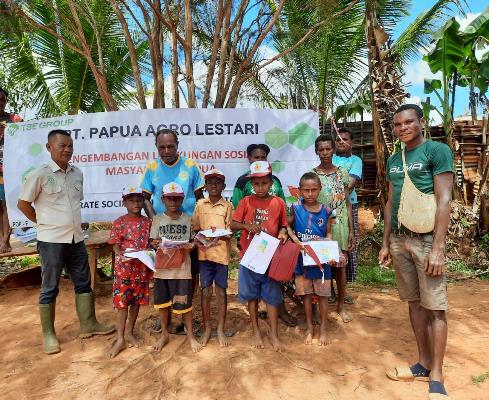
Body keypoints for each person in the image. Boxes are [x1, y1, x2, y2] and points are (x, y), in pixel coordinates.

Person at [17, 129, 114, 355]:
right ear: (49, 147)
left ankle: (89, 323)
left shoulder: (77, 173)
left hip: (76, 240)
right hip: (51, 241)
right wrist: (42, 223)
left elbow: (74, 205)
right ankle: (49, 334)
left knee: (83, 283)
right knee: (50, 287)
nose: (68, 149)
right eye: (62, 145)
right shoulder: (40, 174)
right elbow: (23, 204)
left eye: (70, 145)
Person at [379, 104, 453, 399]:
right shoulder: (394, 159)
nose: (403, 128)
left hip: (425, 241)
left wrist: (438, 246)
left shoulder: (436, 151)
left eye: (409, 122)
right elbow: (390, 201)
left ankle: (437, 373)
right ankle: (423, 362)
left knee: (435, 308)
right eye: (398, 125)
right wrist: (386, 242)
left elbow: (444, 198)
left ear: (421, 122)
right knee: (413, 304)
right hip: (399, 240)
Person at [140, 128, 204, 333]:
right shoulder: (151, 168)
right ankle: (167, 315)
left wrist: (197, 224)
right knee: (165, 273)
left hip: (188, 229)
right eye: (162, 147)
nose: (166, 150)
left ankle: (184, 312)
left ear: (178, 145)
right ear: (156, 147)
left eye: (171, 146)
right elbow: (145, 198)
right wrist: (156, 222)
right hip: (164, 231)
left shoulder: (191, 166)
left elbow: (200, 196)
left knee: (189, 273)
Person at [232, 143, 295, 328]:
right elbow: (232, 224)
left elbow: (284, 225)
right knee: (252, 295)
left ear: (271, 182)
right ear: (251, 184)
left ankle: (274, 333)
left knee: (272, 295)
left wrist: (283, 234)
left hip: (271, 256)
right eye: (256, 184)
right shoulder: (245, 201)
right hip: (249, 256)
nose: (260, 188)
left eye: (264, 183)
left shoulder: (278, 202)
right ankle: (256, 331)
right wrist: (247, 226)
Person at [150, 182, 203, 353]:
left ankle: (190, 336)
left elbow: (195, 241)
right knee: (163, 305)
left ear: (182, 199)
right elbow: (152, 242)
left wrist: (191, 246)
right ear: (163, 199)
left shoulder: (188, 220)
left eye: (177, 198)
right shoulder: (157, 219)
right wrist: (156, 243)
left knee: (185, 305)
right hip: (162, 270)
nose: (173, 201)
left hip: (182, 270)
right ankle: (164, 334)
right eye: (169, 198)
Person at [287, 172, 334, 346]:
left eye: (314, 190)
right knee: (306, 295)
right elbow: (288, 226)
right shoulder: (295, 208)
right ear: (300, 190)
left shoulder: (327, 211)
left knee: (323, 296)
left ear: (320, 189)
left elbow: (329, 232)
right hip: (302, 260)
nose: (310, 194)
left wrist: (327, 244)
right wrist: (296, 240)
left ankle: (323, 329)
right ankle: (309, 328)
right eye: (306, 190)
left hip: (321, 261)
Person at [311, 134, 353, 323]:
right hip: (319, 227)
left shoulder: (342, 172)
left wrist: (351, 230)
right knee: (320, 267)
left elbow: (347, 203)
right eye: (321, 149)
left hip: (340, 225)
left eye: (328, 149)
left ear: (333, 150)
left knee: (340, 268)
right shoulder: (312, 175)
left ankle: (341, 306)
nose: (325, 153)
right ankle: (320, 308)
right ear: (316, 151)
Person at [107, 186, 152, 358]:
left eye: (139, 200)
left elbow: (151, 243)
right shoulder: (120, 222)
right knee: (123, 304)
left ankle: (129, 332)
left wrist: (149, 251)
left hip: (141, 269)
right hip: (124, 270)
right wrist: (123, 255)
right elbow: (116, 246)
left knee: (136, 302)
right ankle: (119, 338)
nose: (136, 203)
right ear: (124, 202)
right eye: (131, 200)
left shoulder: (147, 222)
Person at [192, 169, 233, 347]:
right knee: (205, 291)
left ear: (223, 186)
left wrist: (221, 235)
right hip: (204, 255)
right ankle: (208, 328)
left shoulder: (228, 206)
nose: (214, 185)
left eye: (217, 182)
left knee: (221, 292)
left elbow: (230, 231)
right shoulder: (200, 204)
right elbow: (195, 228)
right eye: (210, 182)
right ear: (205, 186)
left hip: (221, 255)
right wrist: (203, 237)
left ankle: (221, 329)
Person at [333, 127, 363, 293]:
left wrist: (332, 191)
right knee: (327, 244)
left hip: (348, 205)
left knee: (347, 244)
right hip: (326, 208)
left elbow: (350, 184)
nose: (341, 142)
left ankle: (343, 292)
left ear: (352, 143)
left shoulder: (356, 161)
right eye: (338, 139)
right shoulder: (330, 157)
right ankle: (328, 289)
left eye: (345, 139)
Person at [0, 87, 23, 253]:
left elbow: (29, 132)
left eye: (2, 98)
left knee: (7, 205)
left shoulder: (13, 119)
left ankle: (5, 241)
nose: (0, 101)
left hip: (8, 170)